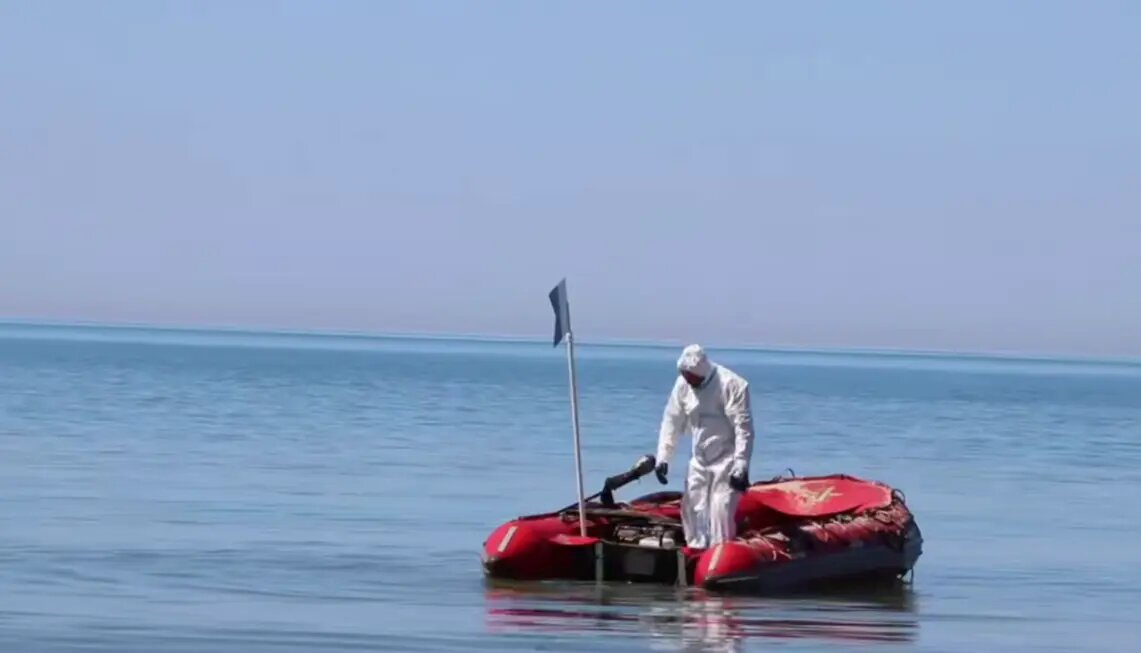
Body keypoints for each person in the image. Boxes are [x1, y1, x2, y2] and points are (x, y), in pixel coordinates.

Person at [654, 344, 755, 548]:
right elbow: (672, 421)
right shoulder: (682, 385)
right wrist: (664, 457)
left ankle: (721, 550)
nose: (688, 380)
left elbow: (743, 429)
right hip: (699, 458)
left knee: (721, 509)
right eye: (684, 375)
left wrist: (741, 465)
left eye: (691, 376)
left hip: (727, 457)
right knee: (692, 506)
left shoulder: (732, 385)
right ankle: (695, 549)